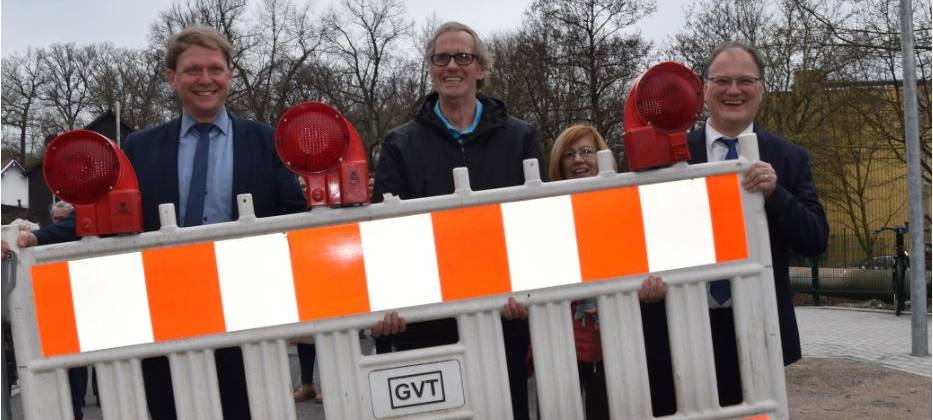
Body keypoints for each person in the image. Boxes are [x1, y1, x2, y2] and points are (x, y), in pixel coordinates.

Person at [13, 24, 306, 420]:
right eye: (192, 70)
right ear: (171, 78)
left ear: (231, 74)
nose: (206, 80)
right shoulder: (139, 147)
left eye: (216, 69)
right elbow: (102, 215)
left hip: (246, 314)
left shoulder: (267, 141)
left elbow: (300, 221)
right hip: (161, 312)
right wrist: (39, 239)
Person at [648, 40, 829, 415]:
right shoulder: (666, 153)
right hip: (680, 327)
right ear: (704, 88)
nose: (734, 91)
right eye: (723, 80)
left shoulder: (790, 158)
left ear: (761, 88)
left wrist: (775, 194)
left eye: (745, 80)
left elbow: (815, 240)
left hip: (759, 331)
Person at [371, 21, 540, 420]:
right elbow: (388, 235)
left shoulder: (520, 138)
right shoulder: (399, 143)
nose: (452, 66)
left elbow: (534, 225)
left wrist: (527, 293)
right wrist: (391, 301)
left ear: (480, 69)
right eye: (441, 58)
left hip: (503, 314)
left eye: (463, 57)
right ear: (430, 68)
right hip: (428, 320)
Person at [548, 123, 667, 419]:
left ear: (602, 156)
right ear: (559, 164)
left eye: (587, 151)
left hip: (618, 340)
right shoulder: (546, 211)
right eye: (570, 154)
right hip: (562, 342)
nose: (579, 160)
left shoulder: (626, 204)